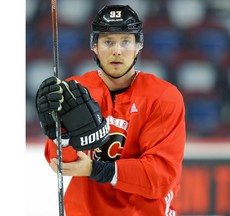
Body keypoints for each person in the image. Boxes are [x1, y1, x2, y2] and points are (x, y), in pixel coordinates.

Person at [36, 4, 186, 216]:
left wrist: (95, 169)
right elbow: (62, 164)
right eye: (108, 41)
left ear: (138, 46)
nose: (117, 50)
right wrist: (59, 135)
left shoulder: (163, 97)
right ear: (94, 46)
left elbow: (160, 177)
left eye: (125, 41)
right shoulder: (74, 91)